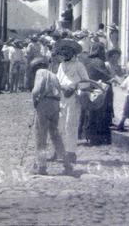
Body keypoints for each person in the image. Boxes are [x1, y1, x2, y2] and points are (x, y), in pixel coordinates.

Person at [54, 38, 89, 169]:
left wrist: (74, 86)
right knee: (59, 124)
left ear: (73, 52)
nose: (64, 53)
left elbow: (86, 82)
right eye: (63, 50)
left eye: (67, 50)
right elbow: (57, 80)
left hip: (73, 98)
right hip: (61, 97)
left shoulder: (79, 65)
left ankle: (71, 152)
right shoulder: (61, 65)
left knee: (71, 124)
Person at [31, 56, 67, 175]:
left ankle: (42, 166)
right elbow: (59, 90)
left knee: (40, 136)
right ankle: (66, 163)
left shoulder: (40, 72)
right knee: (55, 134)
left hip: (44, 104)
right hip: (55, 104)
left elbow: (36, 89)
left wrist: (34, 100)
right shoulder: (53, 75)